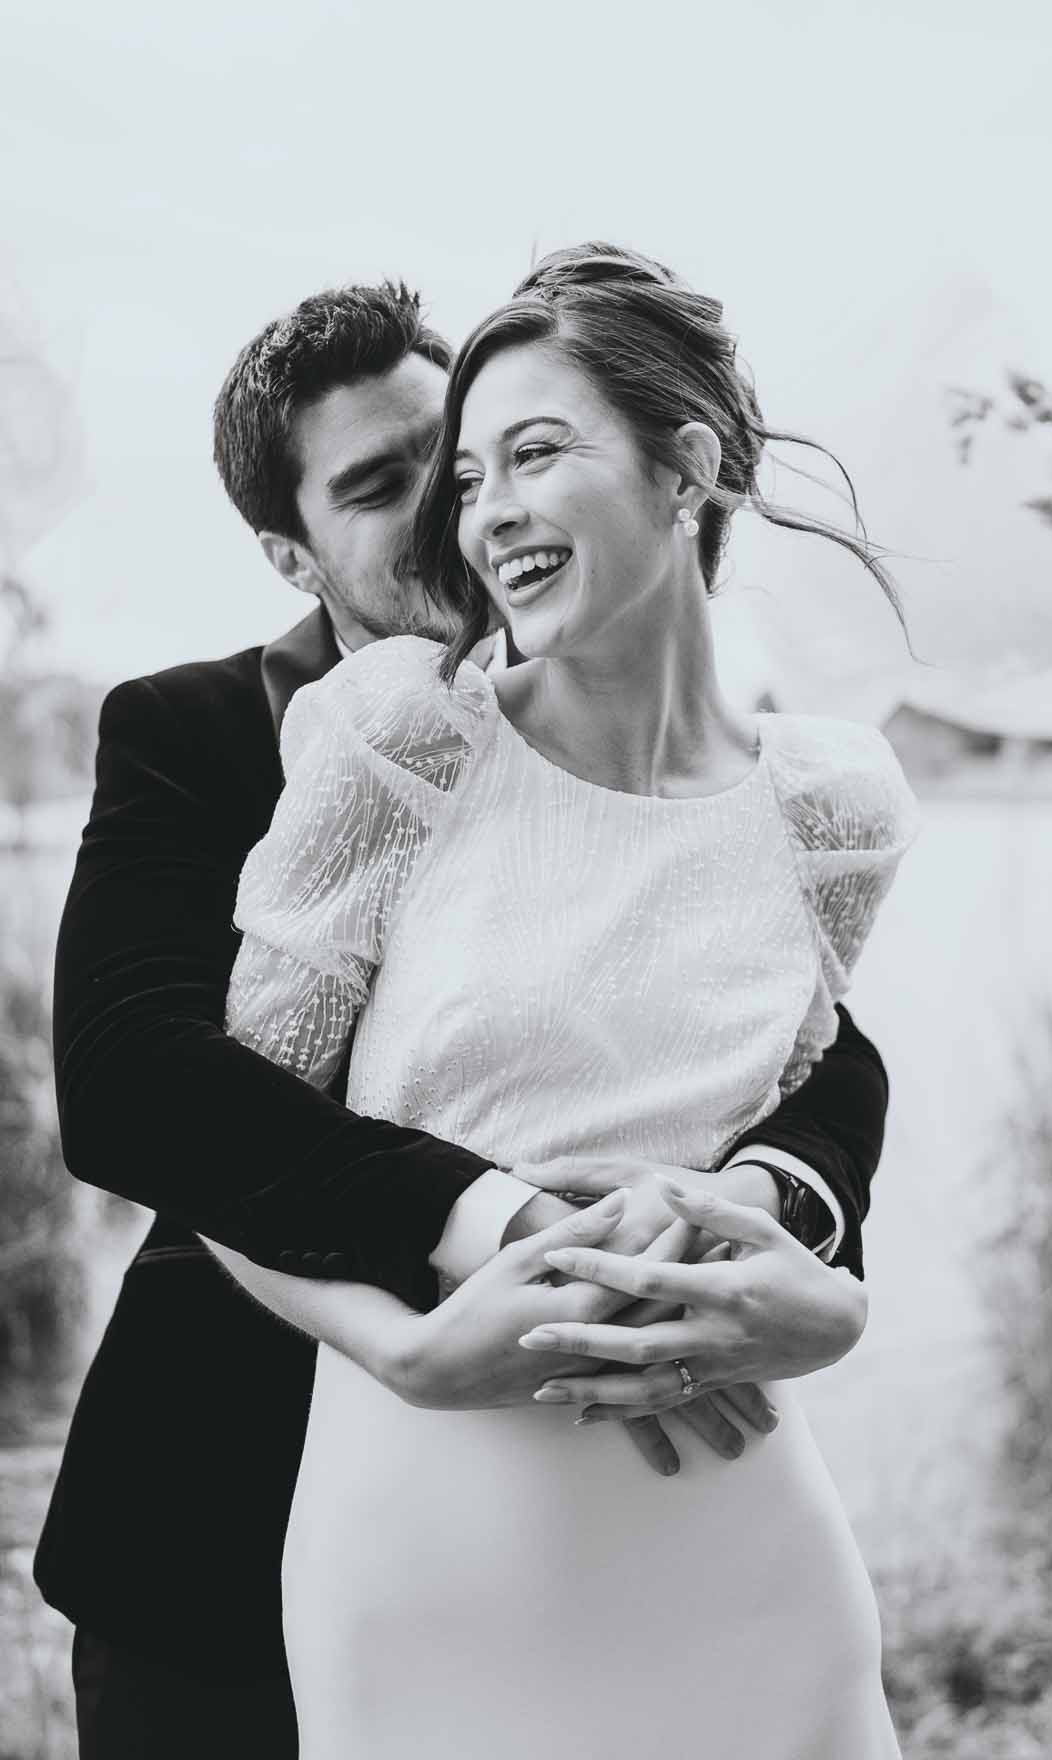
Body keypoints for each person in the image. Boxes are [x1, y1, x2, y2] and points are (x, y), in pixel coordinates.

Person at [34, 276, 898, 1760]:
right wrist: (486, 1248)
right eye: (383, 488)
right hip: (246, 1494)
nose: (452, 510)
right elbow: (132, 1084)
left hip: (655, 1479)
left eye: (470, 458)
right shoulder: (200, 733)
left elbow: (806, 1054)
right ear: (285, 550)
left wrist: (795, 1228)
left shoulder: (752, 771)